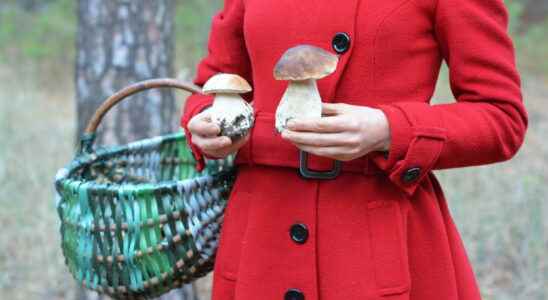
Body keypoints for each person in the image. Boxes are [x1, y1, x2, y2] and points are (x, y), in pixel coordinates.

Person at [180, 0, 528, 299]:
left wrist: (389, 129)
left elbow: (501, 117)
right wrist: (203, 122)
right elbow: (214, 84)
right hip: (261, 237)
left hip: (374, 237)